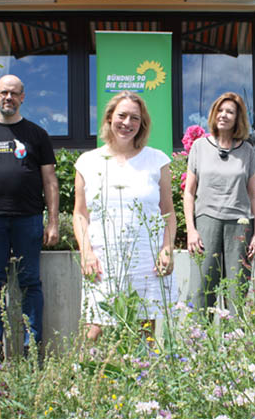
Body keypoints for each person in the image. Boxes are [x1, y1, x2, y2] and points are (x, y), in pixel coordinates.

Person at [0, 74, 59, 361]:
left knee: (31, 283)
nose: (9, 98)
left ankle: (32, 349)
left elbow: (50, 181)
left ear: (23, 97)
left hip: (28, 219)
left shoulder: (37, 135)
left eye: (14, 93)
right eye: (4, 92)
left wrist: (52, 222)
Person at [72, 91, 176, 341]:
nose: (127, 123)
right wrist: (85, 252)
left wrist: (167, 249)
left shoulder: (157, 160)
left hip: (146, 258)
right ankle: (89, 379)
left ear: (142, 124)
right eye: (122, 115)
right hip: (101, 259)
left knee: (144, 332)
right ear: (109, 118)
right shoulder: (87, 162)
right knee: (93, 330)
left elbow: (168, 213)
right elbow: (79, 214)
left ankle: (143, 379)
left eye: (135, 118)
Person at [184, 92, 255, 312]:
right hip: (207, 222)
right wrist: (191, 230)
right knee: (201, 289)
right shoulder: (199, 147)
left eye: (230, 112)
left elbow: (253, 194)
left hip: (239, 224)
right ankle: (198, 342)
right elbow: (189, 192)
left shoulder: (247, 151)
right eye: (220, 110)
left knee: (237, 290)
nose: (224, 115)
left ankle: (235, 343)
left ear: (238, 119)